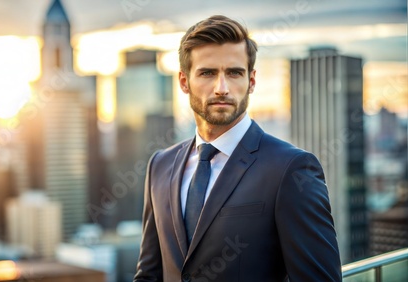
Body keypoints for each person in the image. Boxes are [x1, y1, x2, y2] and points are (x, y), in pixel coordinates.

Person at [133, 15, 341, 282]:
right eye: (207, 73)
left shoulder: (291, 169)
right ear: (184, 82)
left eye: (234, 72)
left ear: (251, 81)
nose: (222, 88)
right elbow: (149, 273)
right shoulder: (160, 165)